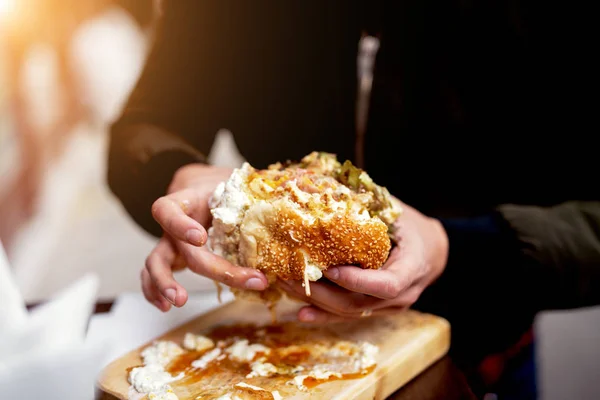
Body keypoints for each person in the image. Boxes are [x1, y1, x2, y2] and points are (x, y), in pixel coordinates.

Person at [107, 1, 600, 397]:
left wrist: (457, 246)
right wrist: (184, 174)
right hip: (274, 339)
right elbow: (145, 122)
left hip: (480, 337)